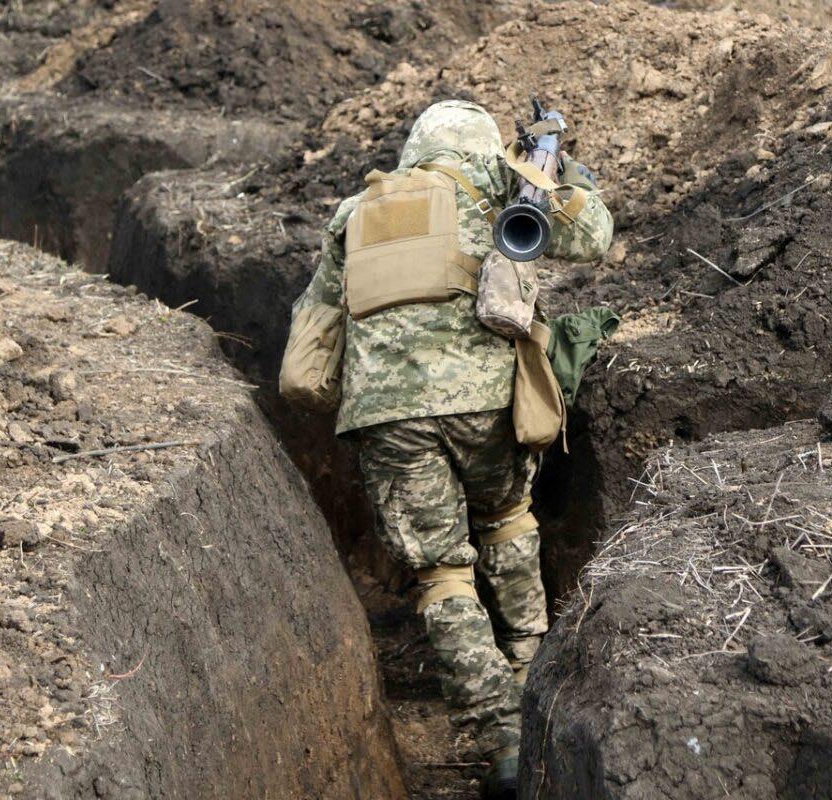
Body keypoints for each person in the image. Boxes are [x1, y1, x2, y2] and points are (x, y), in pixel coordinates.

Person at [280, 99, 612, 798]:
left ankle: (502, 742)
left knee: (441, 574)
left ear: (416, 148)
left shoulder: (354, 213)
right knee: (507, 519)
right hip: (483, 401)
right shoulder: (497, 181)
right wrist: (562, 168)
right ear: (480, 144)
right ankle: (533, 682)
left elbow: (317, 322)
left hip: (385, 415)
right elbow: (593, 237)